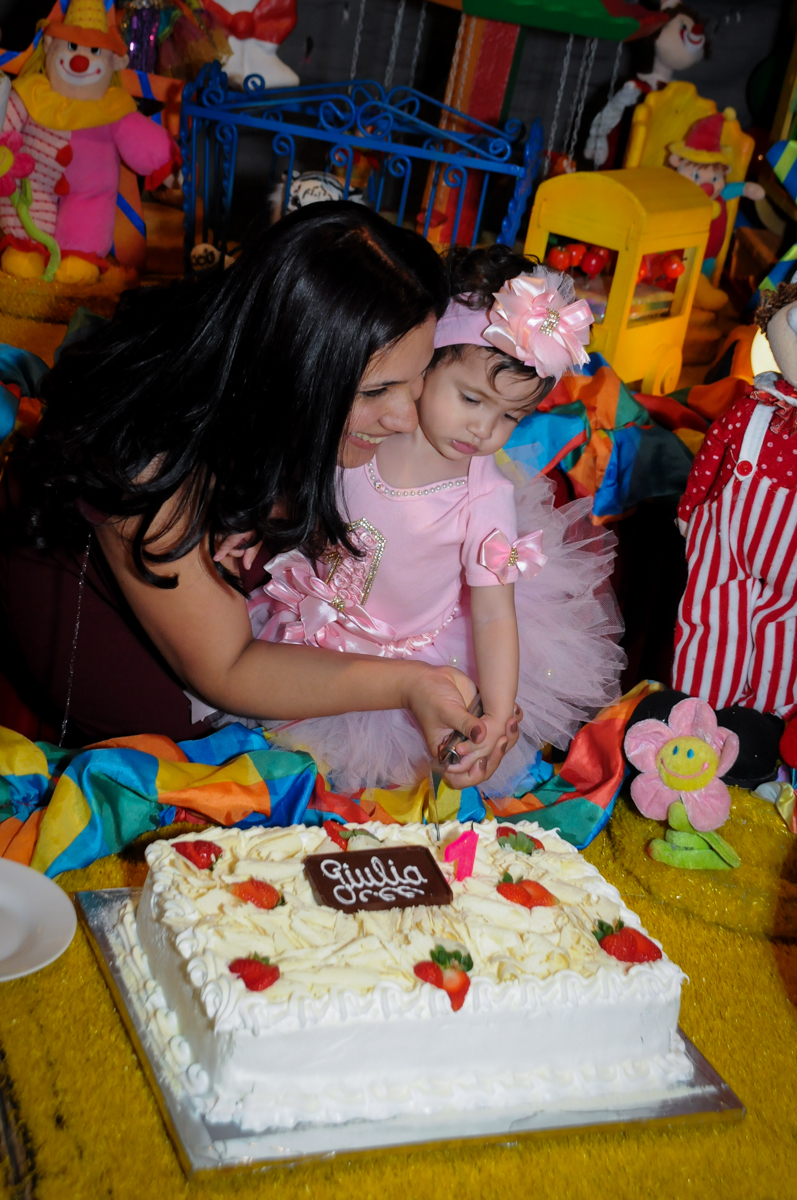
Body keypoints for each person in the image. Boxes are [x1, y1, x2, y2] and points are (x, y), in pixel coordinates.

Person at [0, 203, 517, 787]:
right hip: (151, 673)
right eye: (377, 391)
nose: (405, 417)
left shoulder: (279, 391)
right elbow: (228, 667)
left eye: (418, 375)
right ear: (292, 370)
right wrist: (408, 681)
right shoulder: (150, 465)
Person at [246, 245, 626, 794]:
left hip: (416, 656)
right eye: (471, 399)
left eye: (509, 417)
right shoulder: (365, 428)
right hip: (312, 635)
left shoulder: (483, 494)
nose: (484, 431)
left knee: (372, 795)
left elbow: (495, 616)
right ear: (426, 363)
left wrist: (494, 716)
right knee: (282, 767)